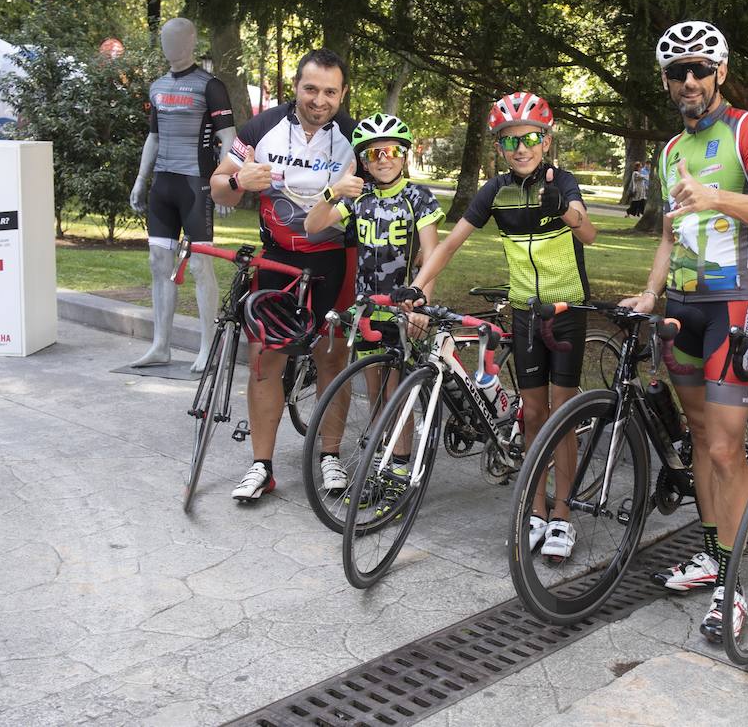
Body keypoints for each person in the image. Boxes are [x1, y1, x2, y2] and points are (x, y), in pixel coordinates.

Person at [620, 20, 748, 643]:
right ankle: (717, 554)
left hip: (735, 304)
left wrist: (717, 196)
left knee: (723, 448)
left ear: (720, 71)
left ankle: (735, 581)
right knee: (698, 437)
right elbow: (671, 233)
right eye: (676, 72)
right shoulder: (671, 150)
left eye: (698, 68)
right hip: (682, 306)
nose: (688, 80)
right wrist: (650, 290)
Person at [409, 92, 597, 560]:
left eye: (530, 138)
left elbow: (589, 232)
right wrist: (418, 285)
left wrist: (563, 208)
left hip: (567, 310)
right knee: (533, 412)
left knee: (562, 413)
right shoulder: (495, 191)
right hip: (526, 311)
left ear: (546, 141)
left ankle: (563, 512)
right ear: (499, 147)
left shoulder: (561, 181)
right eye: (510, 141)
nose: (521, 148)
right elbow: (449, 245)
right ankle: (536, 508)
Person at [210, 49, 360, 502]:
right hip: (278, 261)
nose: (319, 100)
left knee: (332, 359)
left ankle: (329, 455)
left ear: (342, 94)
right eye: (310, 88)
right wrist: (239, 182)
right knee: (265, 359)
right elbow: (218, 186)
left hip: (336, 259)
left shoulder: (355, 137)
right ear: (295, 86)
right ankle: (262, 465)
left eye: (330, 92)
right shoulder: (260, 128)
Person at [303, 112, 442, 509]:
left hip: (403, 311)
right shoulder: (358, 199)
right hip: (366, 312)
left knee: (397, 394)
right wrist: (334, 191)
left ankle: (399, 470)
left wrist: (421, 303)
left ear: (404, 155)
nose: (383, 159)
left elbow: (432, 255)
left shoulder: (418, 197)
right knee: (376, 394)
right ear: (363, 161)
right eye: (373, 154)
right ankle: (382, 467)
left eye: (391, 151)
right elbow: (313, 225)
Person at [129, 18, 235, 373]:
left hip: (196, 185)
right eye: (164, 39)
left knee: (201, 265)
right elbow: (154, 137)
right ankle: (160, 345)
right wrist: (141, 179)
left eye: (176, 38)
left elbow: (228, 138)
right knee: (158, 263)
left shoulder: (210, 86)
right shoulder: (158, 87)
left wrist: (224, 182)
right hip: (163, 184)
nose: (169, 45)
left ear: (191, 42)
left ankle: (207, 348)